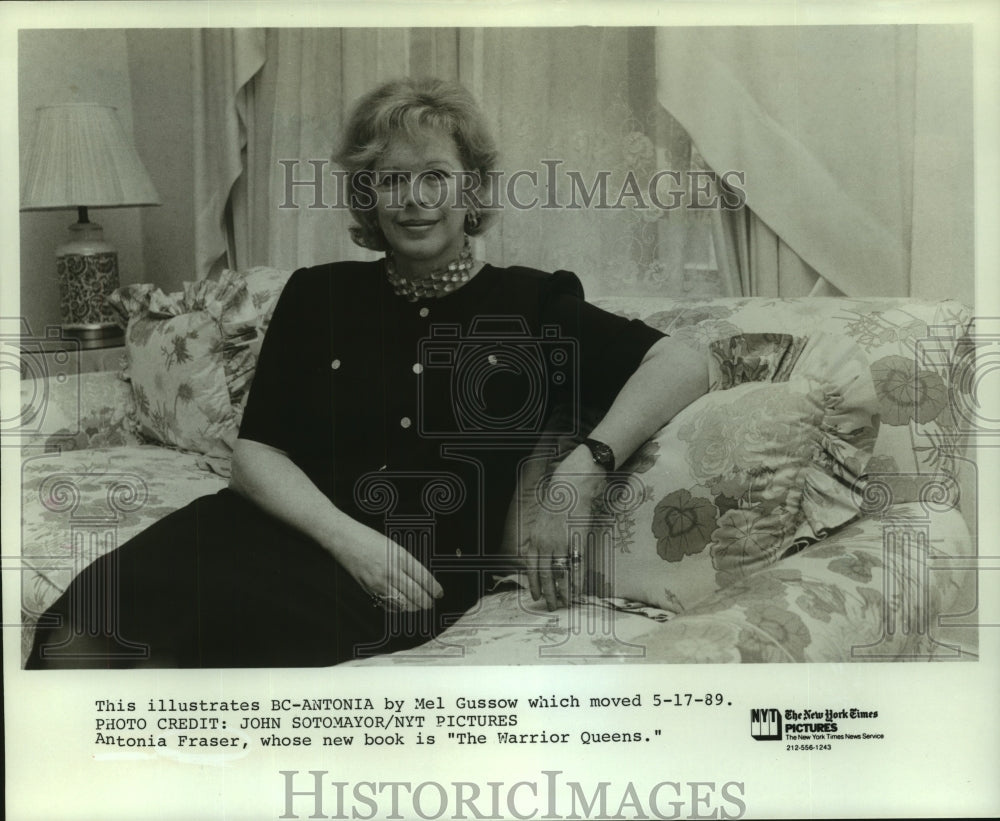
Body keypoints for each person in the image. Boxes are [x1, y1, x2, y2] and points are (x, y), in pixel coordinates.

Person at [27, 77, 708, 669]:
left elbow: (684, 360)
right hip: (269, 530)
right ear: (368, 195)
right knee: (79, 633)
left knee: (195, 665)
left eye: (434, 175)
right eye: (390, 178)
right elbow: (256, 453)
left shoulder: (530, 303)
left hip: (403, 578)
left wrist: (585, 466)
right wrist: (347, 538)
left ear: (471, 189)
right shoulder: (318, 294)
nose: (413, 198)